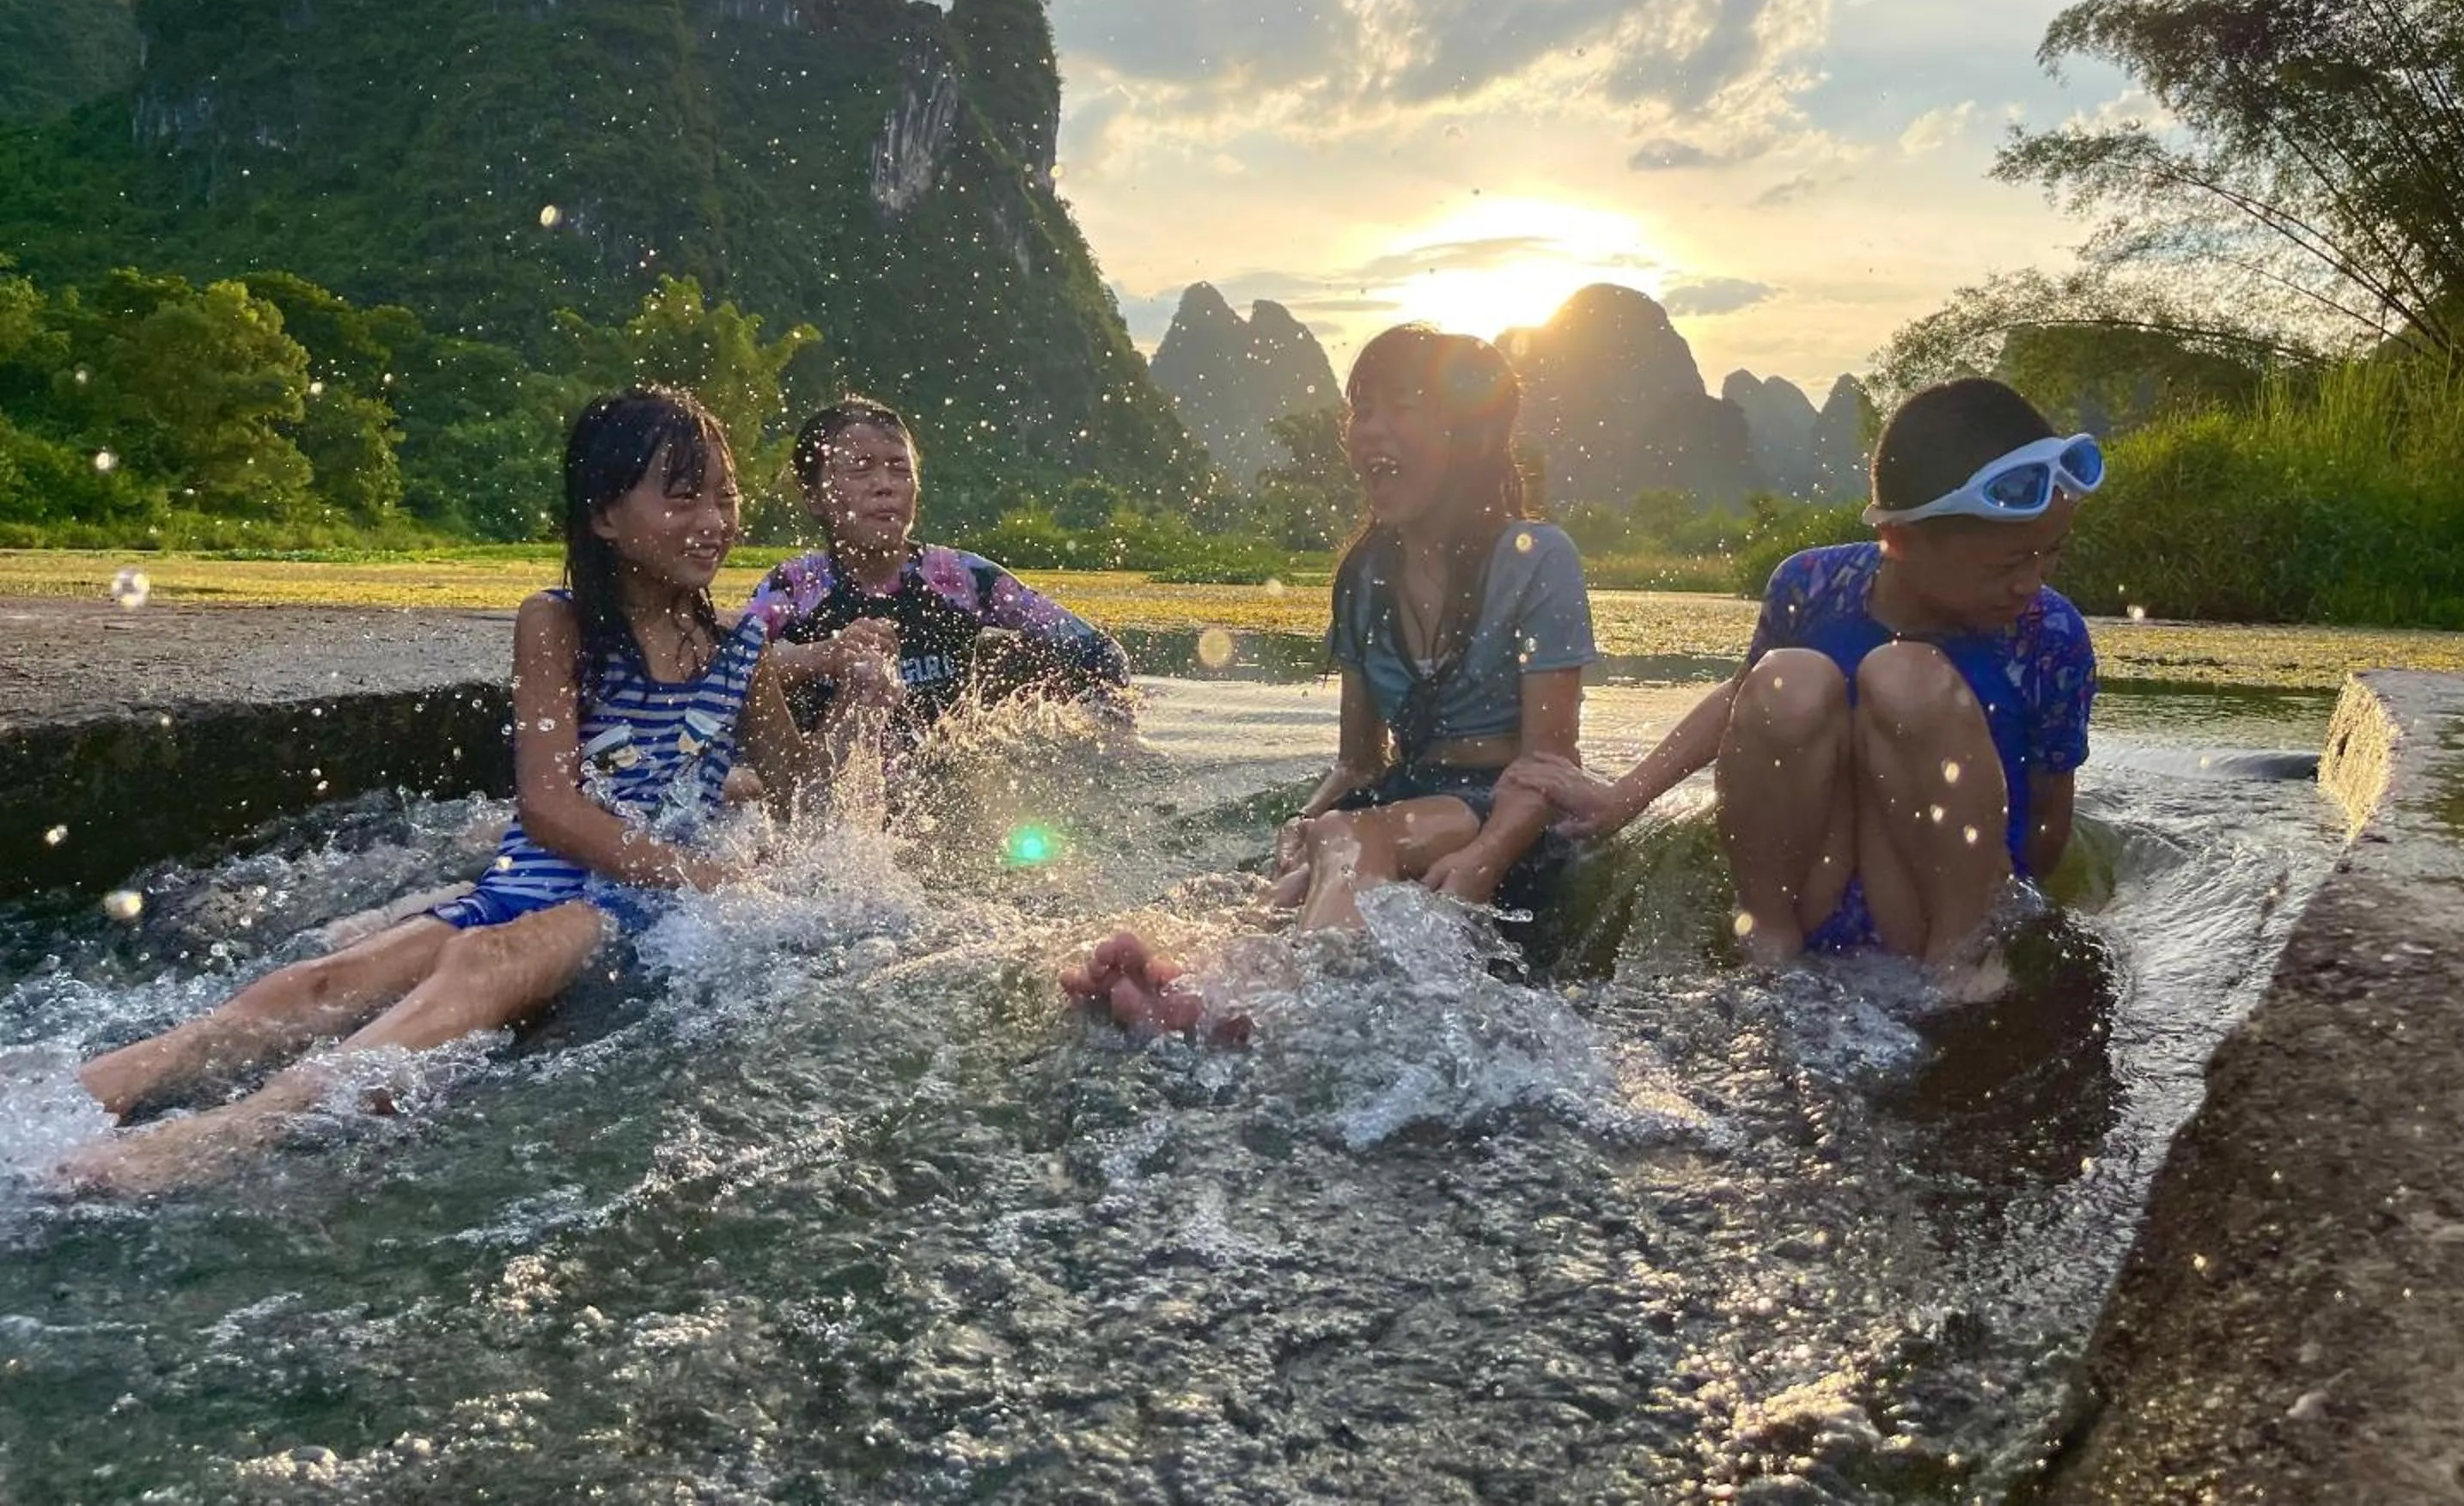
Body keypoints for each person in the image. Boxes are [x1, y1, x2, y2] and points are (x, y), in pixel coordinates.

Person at [63, 388, 894, 1191]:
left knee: (487, 958)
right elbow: (547, 807)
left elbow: (802, 793)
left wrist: (859, 703)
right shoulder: (557, 622)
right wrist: (705, 873)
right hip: (545, 875)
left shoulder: (740, 645)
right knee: (312, 985)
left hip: (646, 900)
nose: (713, 522)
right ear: (603, 516)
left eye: (724, 496)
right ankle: (75, 1093)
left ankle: (235, 1131)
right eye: (682, 499)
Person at [1065, 324, 1596, 1031]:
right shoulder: (1365, 577)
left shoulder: (1537, 557)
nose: (1372, 431)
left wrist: (1485, 858)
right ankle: (1186, 981)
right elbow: (1357, 762)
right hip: (1406, 799)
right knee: (1299, 874)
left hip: (1504, 809)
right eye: (1362, 409)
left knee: (1351, 840)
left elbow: (1550, 763)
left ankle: (1279, 1020)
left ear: (1465, 434)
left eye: (1402, 407)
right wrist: (1304, 818)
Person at [1508, 376, 2101, 967]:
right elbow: (1742, 700)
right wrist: (1623, 798)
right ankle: (1767, 941)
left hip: (1933, 902)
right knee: (1785, 678)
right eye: (2005, 565)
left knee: (1906, 678)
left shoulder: (2049, 635)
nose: (2030, 583)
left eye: (2050, 554)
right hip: (1818, 889)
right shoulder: (1812, 586)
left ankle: (1961, 957)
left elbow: (2048, 818)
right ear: (1898, 538)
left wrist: (2013, 905)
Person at [747, 397, 1131, 752]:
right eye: (861, 469)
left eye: (900, 468)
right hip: (831, 794)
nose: (885, 485)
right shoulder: (794, 587)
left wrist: (1111, 743)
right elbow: (725, 671)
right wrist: (821, 657)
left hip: (941, 788)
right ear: (814, 496)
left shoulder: (964, 577)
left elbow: (1099, 652)